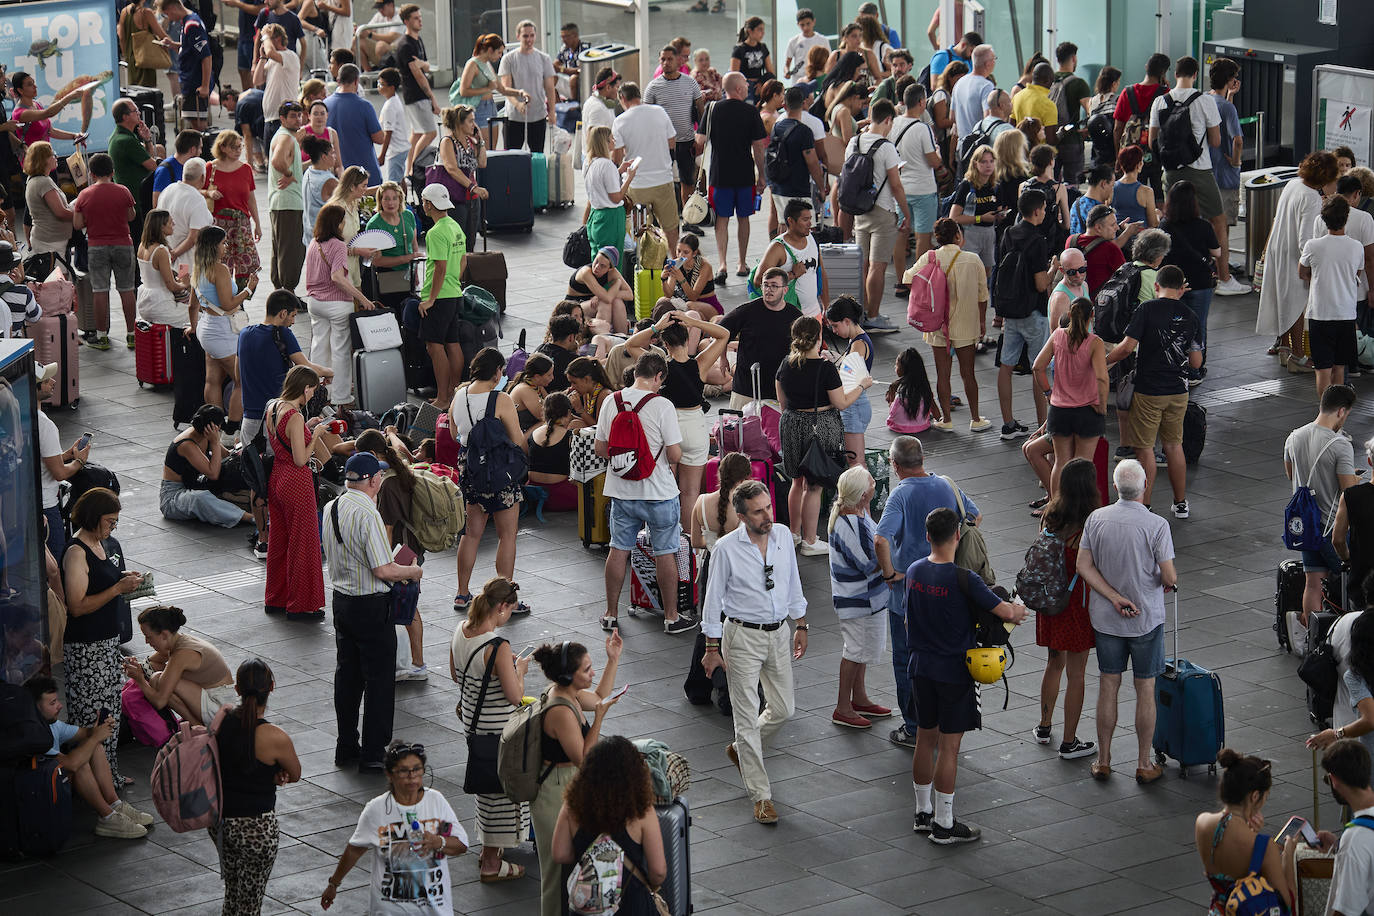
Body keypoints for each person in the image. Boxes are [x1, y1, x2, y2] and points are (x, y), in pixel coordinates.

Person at [904, 506, 1029, 843]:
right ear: (957, 537)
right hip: (953, 672)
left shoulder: (914, 571)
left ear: (928, 536)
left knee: (925, 738)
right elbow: (1003, 611)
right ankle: (944, 824)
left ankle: (922, 813)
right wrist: (1017, 611)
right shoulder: (964, 579)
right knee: (949, 747)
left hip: (920, 668)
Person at [699, 478, 806, 824]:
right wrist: (711, 649)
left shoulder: (783, 538)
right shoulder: (726, 549)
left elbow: (792, 582)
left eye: (768, 507)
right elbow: (712, 601)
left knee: (784, 709)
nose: (767, 515)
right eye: (759, 511)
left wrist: (800, 623)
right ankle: (761, 796)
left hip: (778, 634)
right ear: (742, 516)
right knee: (745, 718)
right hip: (742, 638)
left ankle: (743, 751)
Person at [322, 452, 425, 772]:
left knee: (347, 677)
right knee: (379, 680)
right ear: (373, 480)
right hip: (370, 604)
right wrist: (412, 572)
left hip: (342, 601)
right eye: (379, 476)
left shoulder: (332, 506)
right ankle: (373, 752)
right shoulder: (369, 514)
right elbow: (383, 569)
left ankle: (346, 745)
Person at [1076, 458, 1176, 783]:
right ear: (1145, 486)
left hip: (1106, 619)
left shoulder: (1096, 519)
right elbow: (1169, 576)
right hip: (1146, 619)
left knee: (1108, 684)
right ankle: (1144, 763)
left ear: (1115, 487)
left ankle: (1103, 760)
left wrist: (1114, 597)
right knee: (1145, 688)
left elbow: (1084, 566)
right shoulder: (1157, 525)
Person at [595, 352, 695, 634]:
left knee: (618, 550)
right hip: (659, 492)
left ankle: (611, 614)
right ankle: (672, 618)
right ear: (659, 376)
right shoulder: (662, 405)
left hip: (621, 492)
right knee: (665, 552)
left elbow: (600, 449)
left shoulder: (611, 401)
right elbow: (675, 454)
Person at [529, 636, 624, 916]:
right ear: (569, 676)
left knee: (575, 863)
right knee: (555, 871)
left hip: (569, 783)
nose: (592, 674)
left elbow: (597, 699)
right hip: (555, 789)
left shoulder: (569, 692)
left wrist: (613, 659)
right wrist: (599, 721)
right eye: (587, 669)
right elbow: (583, 758)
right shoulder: (560, 709)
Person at [321, 741, 469, 912]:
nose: (412, 776)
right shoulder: (376, 809)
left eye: (417, 769)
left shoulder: (436, 801)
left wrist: (439, 842)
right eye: (404, 771)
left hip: (434, 910)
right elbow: (355, 849)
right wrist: (333, 884)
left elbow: (461, 845)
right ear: (389, 774)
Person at [449, 576, 531, 881]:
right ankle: (492, 866)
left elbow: (458, 674)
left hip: (473, 725)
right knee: (503, 793)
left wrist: (497, 667)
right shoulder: (497, 645)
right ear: (501, 607)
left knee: (487, 789)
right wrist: (517, 671)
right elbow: (515, 696)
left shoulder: (461, 631)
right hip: (499, 729)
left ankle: (488, 851)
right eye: (510, 609)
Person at [1105, 264, 1202, 513]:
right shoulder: (1191, 315)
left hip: (1149, 390)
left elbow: (1127, 347)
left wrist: (1102, 363)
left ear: (1156, 286)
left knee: (1145, 448)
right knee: (1173, 445)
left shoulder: (1146, 309)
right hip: (1178, 391)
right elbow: (1196, 362)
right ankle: (1180, 503)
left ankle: (1145, 505)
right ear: (1182, 289)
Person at [63, 487, 143, 788]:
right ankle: (92, 781)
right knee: (91, 716)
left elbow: (103, 581)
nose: (113, 527)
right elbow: (78, 605)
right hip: (87, 648)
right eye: (110, 521)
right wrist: (116, 590)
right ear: (93, 518)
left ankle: (109, 773)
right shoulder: (75, 552)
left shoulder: (103, 544)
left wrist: (122, 580)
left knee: (110, 711)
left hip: (107, 644)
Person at [1025, 457, 1101, 760]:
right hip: (1077, 604)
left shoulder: (1050, 516)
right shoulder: (1091, 523)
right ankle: (1069, 742)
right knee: (1078, 674)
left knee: (1053, 663)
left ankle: (1044, 726)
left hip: (1050, 600)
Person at [776, 313, 871, 552]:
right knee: (814, 485)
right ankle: (810, 540)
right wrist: (862, 385)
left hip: (791, 423)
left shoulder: (786, 363)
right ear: (818, 338)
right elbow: (841, 402)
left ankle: (794, 533)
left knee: (796, 481)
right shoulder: (825, 368)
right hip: (819, 426)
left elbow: (781, 398)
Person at [449, 348, 529, 613]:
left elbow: (454, 434)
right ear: (497, 372)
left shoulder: (458, 396)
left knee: (471, 533)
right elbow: (517, 439)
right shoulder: (501, 399)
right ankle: (505, 599)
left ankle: (462, 593)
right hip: (499, 470)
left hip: (470, 467)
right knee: (507, 536)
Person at [26, 675, 152, 840]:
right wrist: (94, 737)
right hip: (39, 797)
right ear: (34, 708)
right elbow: (70, 764)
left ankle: (114, 804)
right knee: (80, 763)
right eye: (52, 703)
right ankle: (106, 817)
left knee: (94, 747)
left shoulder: (52, 724)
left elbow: (84, 733)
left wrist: (99, 728)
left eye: (57, 700)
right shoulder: (34, 733)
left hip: (55, 783)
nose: (59, 706)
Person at [552, 735, 667, 912]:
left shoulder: (572, 805)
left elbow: (560, 854)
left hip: (588, 904)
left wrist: (593, 860)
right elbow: (658, 871)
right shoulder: (642, 810)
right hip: (631, 903)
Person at [1284, 384, 1359, 627]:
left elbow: (1291, 474)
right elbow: (1349, 491)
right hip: (1331, 527)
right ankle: (1346, 634)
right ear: (1341, 411)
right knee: (1353, 581)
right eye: (1346, 415)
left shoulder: (1293, 436)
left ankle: (1313, 639)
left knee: (1313, 583)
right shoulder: (1340, 445)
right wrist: (1357, 479)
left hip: (1306, 525)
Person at [906, 218, 992, 431]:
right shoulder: (973, 260)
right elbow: (983, 296)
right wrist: (982, 321)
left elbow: (907, 278)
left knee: (942, 374)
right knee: (968, 373)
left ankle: (946, 420)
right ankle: (976, 419)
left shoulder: (930, 257)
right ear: (958, 236)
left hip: (937, 324)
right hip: (966, 324)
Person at [1258, 151, 1341, 370]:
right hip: (1295, 256)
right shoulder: (1311, 197)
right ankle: (1298, 354)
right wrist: (1312, 264)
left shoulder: (1293, 184)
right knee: (1296, 305)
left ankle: (1284, 347)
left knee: (1284, 300)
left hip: (1279, 247)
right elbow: (1305, 240)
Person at [1194, 749, 1299, 915]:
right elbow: (1287, 904)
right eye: (1266, 796)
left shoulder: (1202, 823)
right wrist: (1288, 858)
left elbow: (1228, 843)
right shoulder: (1264, 847)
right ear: (1255, 796)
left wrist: (1250, 831)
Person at [826, 466, 890, 729]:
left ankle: (859, 698)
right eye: (871, 483)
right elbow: (867, 562)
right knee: (854, 650)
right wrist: (891, 559)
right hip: (859, 598)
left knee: (860, 649)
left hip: (864, 597)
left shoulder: (854, 513)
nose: (875, 485)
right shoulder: (849, 522)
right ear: (863, 494)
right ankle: (843, 706)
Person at [264, 366, 328, 620]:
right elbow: (301, 459)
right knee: (304, 543)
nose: (313, 395)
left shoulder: (273, 407)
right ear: (305, 387)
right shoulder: (295, 416)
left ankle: (276, 599)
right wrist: (316, 435)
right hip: (296, 482)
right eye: (313, 389)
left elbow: (284, 442)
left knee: (279, 541)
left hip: (277, 477)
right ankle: (301, 605)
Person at [697, 72, 768, 285]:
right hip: (745, 175)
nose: (748, 87)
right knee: (744, 218)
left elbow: (700, 140)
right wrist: (761, 175)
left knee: (721, 219)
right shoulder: (750, 112)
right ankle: (742, 263)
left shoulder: (712, 110)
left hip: (719, 175)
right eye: (745, 84)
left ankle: (722, 264)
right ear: (738, 89)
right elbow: (758, 147)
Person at [1033, 293, 1108, 494]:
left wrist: (1049, 392)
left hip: (1060, 410)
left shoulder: (1057, 335)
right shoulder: (1095, 343)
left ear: (1070, 314)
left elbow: (1037, 367)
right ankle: (1081, 511)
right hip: (1087, 411)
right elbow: (1101, 377)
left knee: (1061, 462)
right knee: (1083, 465)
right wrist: (1101, 404)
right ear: (1091, 316)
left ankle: (1057, 505)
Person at [304, 202, 377, 408]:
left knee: (319, 347)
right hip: (336, 304)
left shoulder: (314, 243)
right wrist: (362, 298)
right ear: (337, 223)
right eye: (343, 220)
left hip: (315, 303)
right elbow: (337, 277)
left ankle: (316, 393)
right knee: (341, 351)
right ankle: (341, 396)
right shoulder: (336, 245)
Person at [238, 289, 333, 446]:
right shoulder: (282, 334)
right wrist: (329, 372)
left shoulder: (244, 334)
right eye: (293, 315)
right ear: (283, 313)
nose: (294, 321)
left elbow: (237, 375)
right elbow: (306, 367)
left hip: (249, 417)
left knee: (253, 468)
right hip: (275, 417)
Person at [848, 100, 910, 332]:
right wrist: (906, 214)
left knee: (861, 266)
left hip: (859, 211)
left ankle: (860, 312)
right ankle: (873, 316)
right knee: (878, 266)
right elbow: (896, 185)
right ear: (887, 120)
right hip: (883, 211)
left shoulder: (853, 142)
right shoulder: (886, 147)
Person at [996, 189, 1054, 441]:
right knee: (1038, 367)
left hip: (1010, 310)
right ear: (1037, 210)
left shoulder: (1009, 233)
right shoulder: (1037, 241)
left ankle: (1008, 423)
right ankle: (1043, 427)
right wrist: (1053, 269)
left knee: (1006, 366)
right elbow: (1041, 284)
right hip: (1033, 312)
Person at [120, 603, 234, 728]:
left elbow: (159, 701)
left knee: (158, 679)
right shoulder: (178, 641)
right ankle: (193, 722)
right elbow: (149, 665)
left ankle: (197, 726)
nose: (147, 642)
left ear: (164, 635)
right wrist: (136, 666)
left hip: (221, 708)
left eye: (149, 637)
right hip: (218, 699)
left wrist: (140, 680)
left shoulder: (182, 654)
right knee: (157, 673)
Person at [1301, 196, 1365, 399]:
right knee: (1339, 369)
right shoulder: (1356, 247)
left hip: (1320, 314)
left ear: (1323, 219)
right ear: (1346, 218)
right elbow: (1358, 273)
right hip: (1345, 314)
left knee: (1322, 370)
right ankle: (1338, 420)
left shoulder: (1313, 245)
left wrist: (1316, 280)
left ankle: (1324, 417)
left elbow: (1302, 272)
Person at [1148, 56, 1222, 228]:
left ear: (1175, 74)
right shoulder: (1205, 100)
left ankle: (1172, 254)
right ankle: (1219, 255)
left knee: (1172, 220)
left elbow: (1153, 143)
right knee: (1217, 219)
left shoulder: (1159, 102)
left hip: (1170, 170)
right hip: (1200, 169)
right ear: (1195, 74)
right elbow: (1216, 141)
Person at [72, 153, 136, 352]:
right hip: (123, 244)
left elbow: (77, 224)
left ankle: (101, 337)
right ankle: (132, 335)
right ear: (113, 172)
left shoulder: (85, 195)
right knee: (126, 290)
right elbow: (131, 216)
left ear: (91, 174)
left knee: (100, 291)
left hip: (96, 245)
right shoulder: (123, 191)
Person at [1159, 180, 1221, 385]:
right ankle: (1196, 369)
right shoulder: (1204, 226)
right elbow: (1217, 252)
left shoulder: (1165, 226)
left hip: (1174, 284)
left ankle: (1176, 364)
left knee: (1175, 325)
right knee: (1198, 325)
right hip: (1201, 283)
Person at [159, 404, 257, 531]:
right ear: (214, 427)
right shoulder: (186, 444)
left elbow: (226, 455)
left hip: (195, 484)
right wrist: (215, 442)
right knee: (200, 498)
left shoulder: (204, 435)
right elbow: (213, 473)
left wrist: (237, 448)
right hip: (173, 498)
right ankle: (248, 517)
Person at [415, 184, 468, 406]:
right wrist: (454, 282)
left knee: (434, 346)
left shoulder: (435, 232)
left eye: (423, 201)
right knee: (452, 343)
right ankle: (453, 392)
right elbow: (463, 260)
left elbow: (439, 268)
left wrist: (431, 299)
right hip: (454, 292)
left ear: (428, 204)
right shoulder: (454, 226)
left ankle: (443, 398)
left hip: (440, 296)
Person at [613, 81, 680, 255]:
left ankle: (643, 263)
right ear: (638, 95)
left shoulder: (620, 121)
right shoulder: (659, 112)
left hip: (636, 184)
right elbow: (672, 142)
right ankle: (672, 258)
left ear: (622, 98)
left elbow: (618, 157)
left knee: (640, 228)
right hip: (663, 180)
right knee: (670, 227)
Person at [33, 363, 90, 560]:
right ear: (36, 388)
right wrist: (79, 462)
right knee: (56, 563)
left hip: (28, 501)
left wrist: (65, 455)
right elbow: (59, 473)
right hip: (46, 505)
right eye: (47, 380)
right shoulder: (45, 425)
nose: (54, 382)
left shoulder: (22, 417)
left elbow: (38, 457)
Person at [1206, 57, 1250, 296]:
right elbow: (1238, 139)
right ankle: (1225, 278)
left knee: (1210, 227)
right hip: (1225, 175)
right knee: (1223, 228)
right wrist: (1236, 160)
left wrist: (1230, 96)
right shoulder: (1227, 107)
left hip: (1206, 174)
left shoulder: (1206, 99)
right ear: (1231, 79)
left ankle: (1215, 270)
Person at [1316, 739, 1374, 916]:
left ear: (1334, 779)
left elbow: (1346, 911)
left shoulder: (1355, 839)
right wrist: (1338, 846)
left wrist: (1346, 848)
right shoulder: (1355, 840)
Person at [893, 85, 943, 289]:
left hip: (901, 188)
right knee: (922, 237)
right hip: (923, 188)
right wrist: (938, 153)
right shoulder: (923, 128)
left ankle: (901, 280)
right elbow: (933, 161)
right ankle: (918, 283)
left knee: (901, 234)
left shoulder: (894, 123)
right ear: (921, 102)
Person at [645, 45, 704, 210]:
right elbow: (646, 117)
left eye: (669, 59)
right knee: (662, 182)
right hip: (662, 144)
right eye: (663, 59)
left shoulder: (690, 83)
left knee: (688, 181)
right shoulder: (653, 87)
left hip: (687, 140)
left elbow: (701, 111)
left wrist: (701, 137)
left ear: (678, 60)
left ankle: (688, 218)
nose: (666, 63)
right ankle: (665, 217)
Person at [765, 87, 827, 243]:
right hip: (798, 188)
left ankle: (782, 262)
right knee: (806, 228)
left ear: (784, 105)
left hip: (779, 187)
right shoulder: (804, 131)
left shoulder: (777, 127)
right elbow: (812, 162)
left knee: (784, 226)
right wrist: (821, 187)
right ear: (804, 104)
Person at [206, 131, 262, 289]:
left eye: (240, 147)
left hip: (241, 223)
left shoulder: (245, 169)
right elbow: (197, 190)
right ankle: (224, 295)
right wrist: (208, 192)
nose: (239, 151)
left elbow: (251, 198)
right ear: (222, 147)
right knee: (221, 261)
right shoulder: (211, 167)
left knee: (248, 262)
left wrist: (257, 223)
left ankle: (240, 296)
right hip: (218, 224)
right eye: (234, 148)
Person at [1113, 52, 1173, 196]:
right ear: (1164, 72)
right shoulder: (1166, 94)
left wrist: (1118, 157)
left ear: (1146, 67)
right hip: (1156, 157)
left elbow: (1117, 129)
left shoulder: (1127, 92)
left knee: (1130, 195)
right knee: (1158, 197)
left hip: (1130, 158)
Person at [266, 101, 307, 296]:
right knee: (292, 250)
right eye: (293, 116)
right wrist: (289, 173)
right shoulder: (286, 138)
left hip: (280, 203)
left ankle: (281, 291)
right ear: (282, 118)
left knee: (280, 249)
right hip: (289, 203)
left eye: (299, 115)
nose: (298, 119)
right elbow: (276, 161)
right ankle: (288, 294)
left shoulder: (287, 137)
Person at [826, 296, 874, 464]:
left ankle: (864, 491)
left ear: (847, 321)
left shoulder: (858, 345)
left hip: (853, 407)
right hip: (856, 404)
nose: (833, 331)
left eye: (835, 325)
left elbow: (848, 379)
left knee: (856, 463)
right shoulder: (858, 340)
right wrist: (837, 359)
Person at [497, 19, 556, 154]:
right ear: (518, 36)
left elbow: (550, 88)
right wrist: (517, 104)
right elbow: (506, 89)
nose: (529, 39)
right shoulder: (508, 59)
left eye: (531, 35)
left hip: (538, 115)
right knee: (513, 156)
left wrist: (552, 111)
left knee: (537, 155)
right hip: (514, 117)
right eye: (525, 36)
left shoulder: (544, 58)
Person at [394, 4, 440, 176]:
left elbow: (426, 66)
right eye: (415, 18)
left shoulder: (417, 41)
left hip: (416, 95)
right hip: (415, 94)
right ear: (406, 21)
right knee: (430, 132)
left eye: (420, 17)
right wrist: (432, 98)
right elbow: (419, 74)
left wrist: (423, 65)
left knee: (417, 134)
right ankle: (413, 169)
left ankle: (408, 171)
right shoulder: (406, 45)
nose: (420, 20)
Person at [948, 145, 1003, 279]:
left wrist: (1000, 215)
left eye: (991, 161)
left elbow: (998, 209)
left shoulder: (995, 186)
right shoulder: (967, 185)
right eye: (983, 162)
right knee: (968, 273)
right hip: (970, 233)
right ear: (975, 163)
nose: (988, 165)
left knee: (985, 274)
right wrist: (980, 218)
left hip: (989, 233)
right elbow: (954, 217)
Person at [21, 142, 74, 279]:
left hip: (49, 241)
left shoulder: (35, 180)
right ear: (43, 159)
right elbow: (60, 212)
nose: (56, 157)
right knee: (59, 287)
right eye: (52, 155)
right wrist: (83, 216)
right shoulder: (43, 182)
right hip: (51, 244)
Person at [135, 208, 194, 330]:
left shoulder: (142, 245)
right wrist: (185, 284)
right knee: (198, 316)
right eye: (170, 222)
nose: (174, 224)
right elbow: (171, 286)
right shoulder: (161, 250)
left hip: (144, 303)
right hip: (159, 305)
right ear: (161, 227)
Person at [326, 63, 384, 185]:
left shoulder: (325, 105)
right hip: (364, 173)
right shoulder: (364, 106)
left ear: (338, 80)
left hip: (337, 174)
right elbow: (379, 138)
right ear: (356, 81)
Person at [439, 105, 488, 247]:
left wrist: (481, 141)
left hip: (472, 198)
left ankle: (467, 268)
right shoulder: (448, 142)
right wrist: (473, 187)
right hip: (455, 197)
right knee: (456, 241)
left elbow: (482, 163)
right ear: (459, 124)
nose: (474, 125)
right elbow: (452, 169)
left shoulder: (471, 142)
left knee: (470, 241)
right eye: (470, 121)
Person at [160, 156, 215, 274]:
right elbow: (194, 236)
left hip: (166, 254)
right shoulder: (196, 199)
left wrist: (169, 252)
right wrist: (174, 254)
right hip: (187, 262)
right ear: (202, 177)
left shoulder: (168, 190)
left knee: (177, 288)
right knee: (187, 289)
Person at [1335, 447, 1374, 610]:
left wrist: (1347, 558)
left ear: (1370, 461)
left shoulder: (1351, 496)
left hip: (1362, 581)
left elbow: (1338, 539)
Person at [10, 71, 88, 149]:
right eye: (30, 84)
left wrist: (74, 136)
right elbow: (48, 113)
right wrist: (70, 97)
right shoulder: (19, 113)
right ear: (20, 90)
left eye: (33, 83)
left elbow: (50, 131)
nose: (35, 86)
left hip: (46, 156)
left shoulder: (37, 104)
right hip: (33, 159)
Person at [254, 23, 300, 156]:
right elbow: (257, 80)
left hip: (283, 119)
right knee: (270, 158)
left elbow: (270, 52)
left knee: (282, 159)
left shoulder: (290, 56)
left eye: (269, 39)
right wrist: (262, 58)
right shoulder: (272, 60)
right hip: (270, 118)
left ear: (278, 39)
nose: (265, 42)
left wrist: (265, 36)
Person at [454, 35, 505, 150]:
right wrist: (487, 89)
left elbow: (501, 88)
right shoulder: (472, 64)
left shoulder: (487, 63)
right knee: (482, 149)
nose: (500, 56)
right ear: (490, 50)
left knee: (492, 148)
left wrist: (519, 93)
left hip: (491, 106)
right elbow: (464, 90)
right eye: (499, 52)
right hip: (480, 107)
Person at [1051, 42, 1092, 184]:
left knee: (1051, 183)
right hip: (1071, 140)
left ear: (1058, 59)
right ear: (1074, 58)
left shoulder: (1047, 79)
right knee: (1073, 185)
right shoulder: (1079, 83)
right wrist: (1088, 128)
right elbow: (1089, 109)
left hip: (1051, 139)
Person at [663, 234, 725, 318]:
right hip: (685, 303)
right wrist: (663, 280)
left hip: (708, 305)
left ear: (694, 253)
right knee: (663, 302)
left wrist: (681, 278)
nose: (681, 255)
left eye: (686, 252)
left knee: (690, 305)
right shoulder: (677, 264)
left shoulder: (704, 266)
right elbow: (668, 295)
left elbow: (693, 297)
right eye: (678, 251)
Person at [885, 347, 939, 434]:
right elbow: (933, 407)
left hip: (898, 426)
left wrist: (890, 400)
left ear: (904, 368)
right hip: (922, 426)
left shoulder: (897, 388)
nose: (895, 367)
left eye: (897, 365)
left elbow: (892, 412)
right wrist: (939, 419)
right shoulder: (924, 387)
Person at [951, 44, 996, 141]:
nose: (995, 62)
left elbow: (952, 117)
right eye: (994, 59)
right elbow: (988, 118)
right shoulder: (986, 86)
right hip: (978, 145)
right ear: (988, 63)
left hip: (962, 143)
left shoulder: (959, 83)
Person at [1112, 145, 1159, 229]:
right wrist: (1158, 215)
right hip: (1140, 239)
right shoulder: (1146, 191)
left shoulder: (1111, 187)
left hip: (1118, 237)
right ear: (1139, 164)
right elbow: (1153, 223)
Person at [731, 16, 775, 103]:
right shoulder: (739, 49)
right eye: (759, 30)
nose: (763, 33)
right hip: (744, 85)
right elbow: (734, 74)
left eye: (763, 30)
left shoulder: (762, 47)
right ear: (750, 31)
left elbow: (770, 71)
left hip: (760, 84)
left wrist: (762, 83)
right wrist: (746, 85)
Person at [1088, 66, 1123, 170]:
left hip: (1097, 151)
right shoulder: (1118, 100)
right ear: (1114, 84)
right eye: (1118, 82)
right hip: (1112, 148)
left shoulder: (1092, 101)